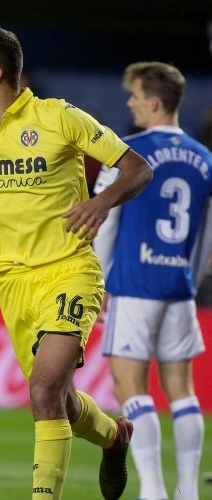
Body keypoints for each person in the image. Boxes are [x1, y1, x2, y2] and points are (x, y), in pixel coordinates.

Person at [0, 24, 153, 500]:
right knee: (60, 400)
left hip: (70, 270)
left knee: (44, 391)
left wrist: (101, 203)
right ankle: (114, 436)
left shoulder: (58, 117)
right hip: (12, 281)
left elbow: (138, 167)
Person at [93, 61, 208, 500]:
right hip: (179, 288)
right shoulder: (205, 158)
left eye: (136, 95)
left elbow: (105, 220)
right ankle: (189, 492)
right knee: (182, 391)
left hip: (134, 286)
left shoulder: (128, 153)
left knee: (130, 387)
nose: (130, 102)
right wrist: (189, 284)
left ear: (154, 102)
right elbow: (205, 237)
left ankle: (154, 491)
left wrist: (99, 281)